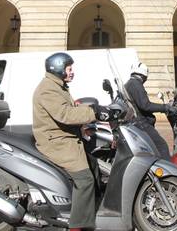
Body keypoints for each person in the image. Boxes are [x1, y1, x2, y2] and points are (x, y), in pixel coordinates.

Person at [32, 52, 119, 231]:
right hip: (56, 142)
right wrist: (94, 112)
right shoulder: (48, 88)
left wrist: (96, 112)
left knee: (94, 164)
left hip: (65, 138)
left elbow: (70, 109)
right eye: (69, 68)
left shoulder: (58, 86)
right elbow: (65, 114)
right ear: (58, 68)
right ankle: (79, 225)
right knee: (85, 179)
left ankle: (92, 208)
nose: (72, 72)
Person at [124, 61, 177, 161]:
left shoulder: (131, 83)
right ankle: (169, 174)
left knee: (154, 148)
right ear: (144, 75)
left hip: (137, 122)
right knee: (161, 146)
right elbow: (145, 105)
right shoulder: (135, 84)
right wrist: (165, 107)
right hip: (141, 123)